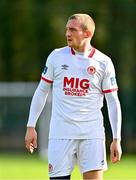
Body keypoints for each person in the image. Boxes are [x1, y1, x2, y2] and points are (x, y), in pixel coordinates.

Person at [25, 13, 122, 180]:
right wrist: (30, 126)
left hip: (92, 134)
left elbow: (112, 101)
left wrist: (116, 138)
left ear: (87, 34)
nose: (67, 34)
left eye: (72, 29)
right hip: (60, 134)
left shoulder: (104, 62)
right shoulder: (56, 56)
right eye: (66, 29)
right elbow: (42, 91)